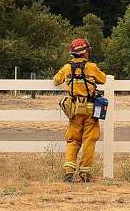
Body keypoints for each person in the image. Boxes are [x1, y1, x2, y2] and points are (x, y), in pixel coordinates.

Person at [53, 38, 106, 183]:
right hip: (90, 111)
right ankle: (85, 174)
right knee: (89, 140)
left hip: (74, 110)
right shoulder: (91, 67)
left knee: (73, 140)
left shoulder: (66, 68)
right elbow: (103, 79)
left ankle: (69, 171)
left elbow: (56, 80)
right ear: (84, 53)